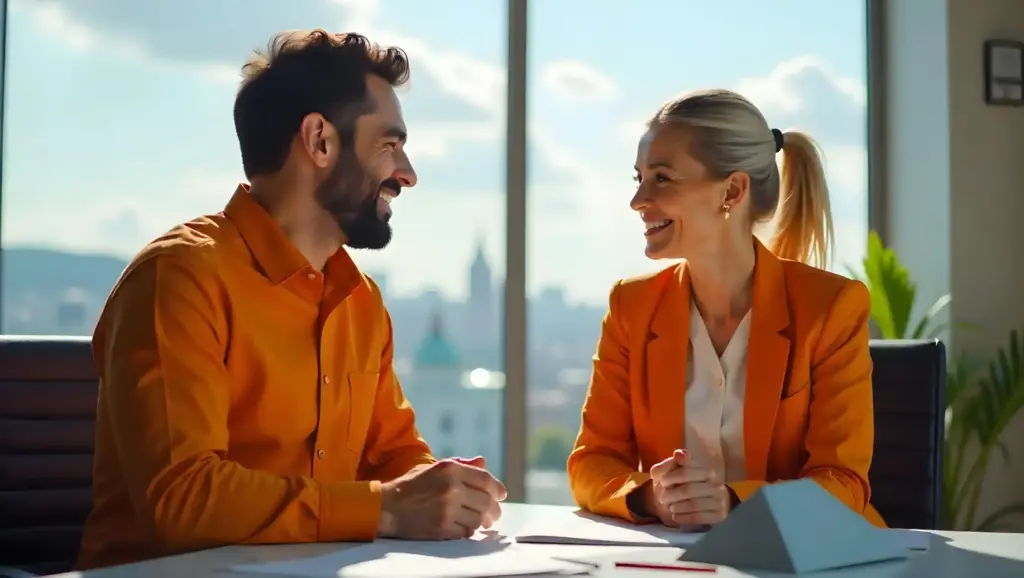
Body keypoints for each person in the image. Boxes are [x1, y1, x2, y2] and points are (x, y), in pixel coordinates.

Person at [77, 30, 506, 570]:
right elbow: (182, 499)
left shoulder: (362, 302)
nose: (408, 173)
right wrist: (386, 509)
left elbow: (394, 458)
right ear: (320, 141)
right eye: (389, 145)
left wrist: (446, 491)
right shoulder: (180, 279)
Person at [567, 89, 885, 530]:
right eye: (638, 178)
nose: (638, 201)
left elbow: (845, 483)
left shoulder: (831, 307)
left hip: (804, 561)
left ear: (732, 191)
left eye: (662, 178)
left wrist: (734, 502)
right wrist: (649, 496)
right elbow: (592, 462)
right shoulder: (631, 307)